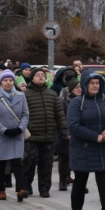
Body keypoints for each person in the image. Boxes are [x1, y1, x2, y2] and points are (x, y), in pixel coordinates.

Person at [68, 72, 105, 210]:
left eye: (97, 83)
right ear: (85, 85)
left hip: (103, 148)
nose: (95, 86)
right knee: (80, 181)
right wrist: (94, 136)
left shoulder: (104, 99)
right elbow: (73, 126)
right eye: (92, 83)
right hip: (83, 148)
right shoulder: (77, 102)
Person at [0, 69, 30, 202]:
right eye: (5, 80)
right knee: (0, 163)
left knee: (17, 162)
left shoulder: (21, 96)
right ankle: (1, 190)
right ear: (0, 82)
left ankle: (21, 189)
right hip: (0, 135)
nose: (8, 83)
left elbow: (25, 114)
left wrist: (20, 128)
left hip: (16, 134)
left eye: (11, 80)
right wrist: (4, 130)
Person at [23, 67, 67, 198]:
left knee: (46, 164)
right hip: (32, 136)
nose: (41, 77)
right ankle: (26, 186)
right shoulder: (25, 94)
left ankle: (44, 189)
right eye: (38, 75)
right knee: (29, 163)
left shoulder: (51, 94)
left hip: (48, 136)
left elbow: (59, 113)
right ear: (32, 78)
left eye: (43, 75)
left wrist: (64, 128)